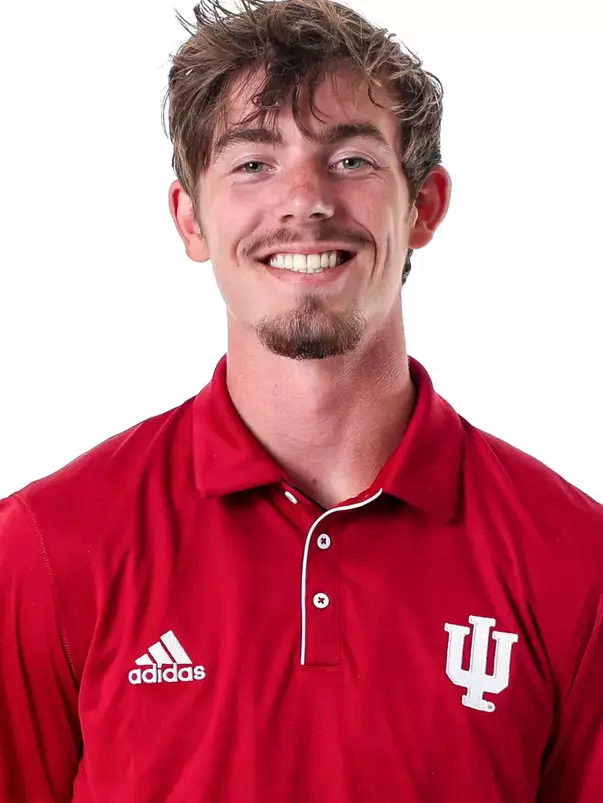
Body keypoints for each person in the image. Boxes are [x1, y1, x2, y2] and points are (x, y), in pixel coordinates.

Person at [1, 0, 602, 799]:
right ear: (190, 219)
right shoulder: (45, 549)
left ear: (422, 206)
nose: (306, 200)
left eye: (350, 159)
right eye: (252, 163)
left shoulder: (574, 560)